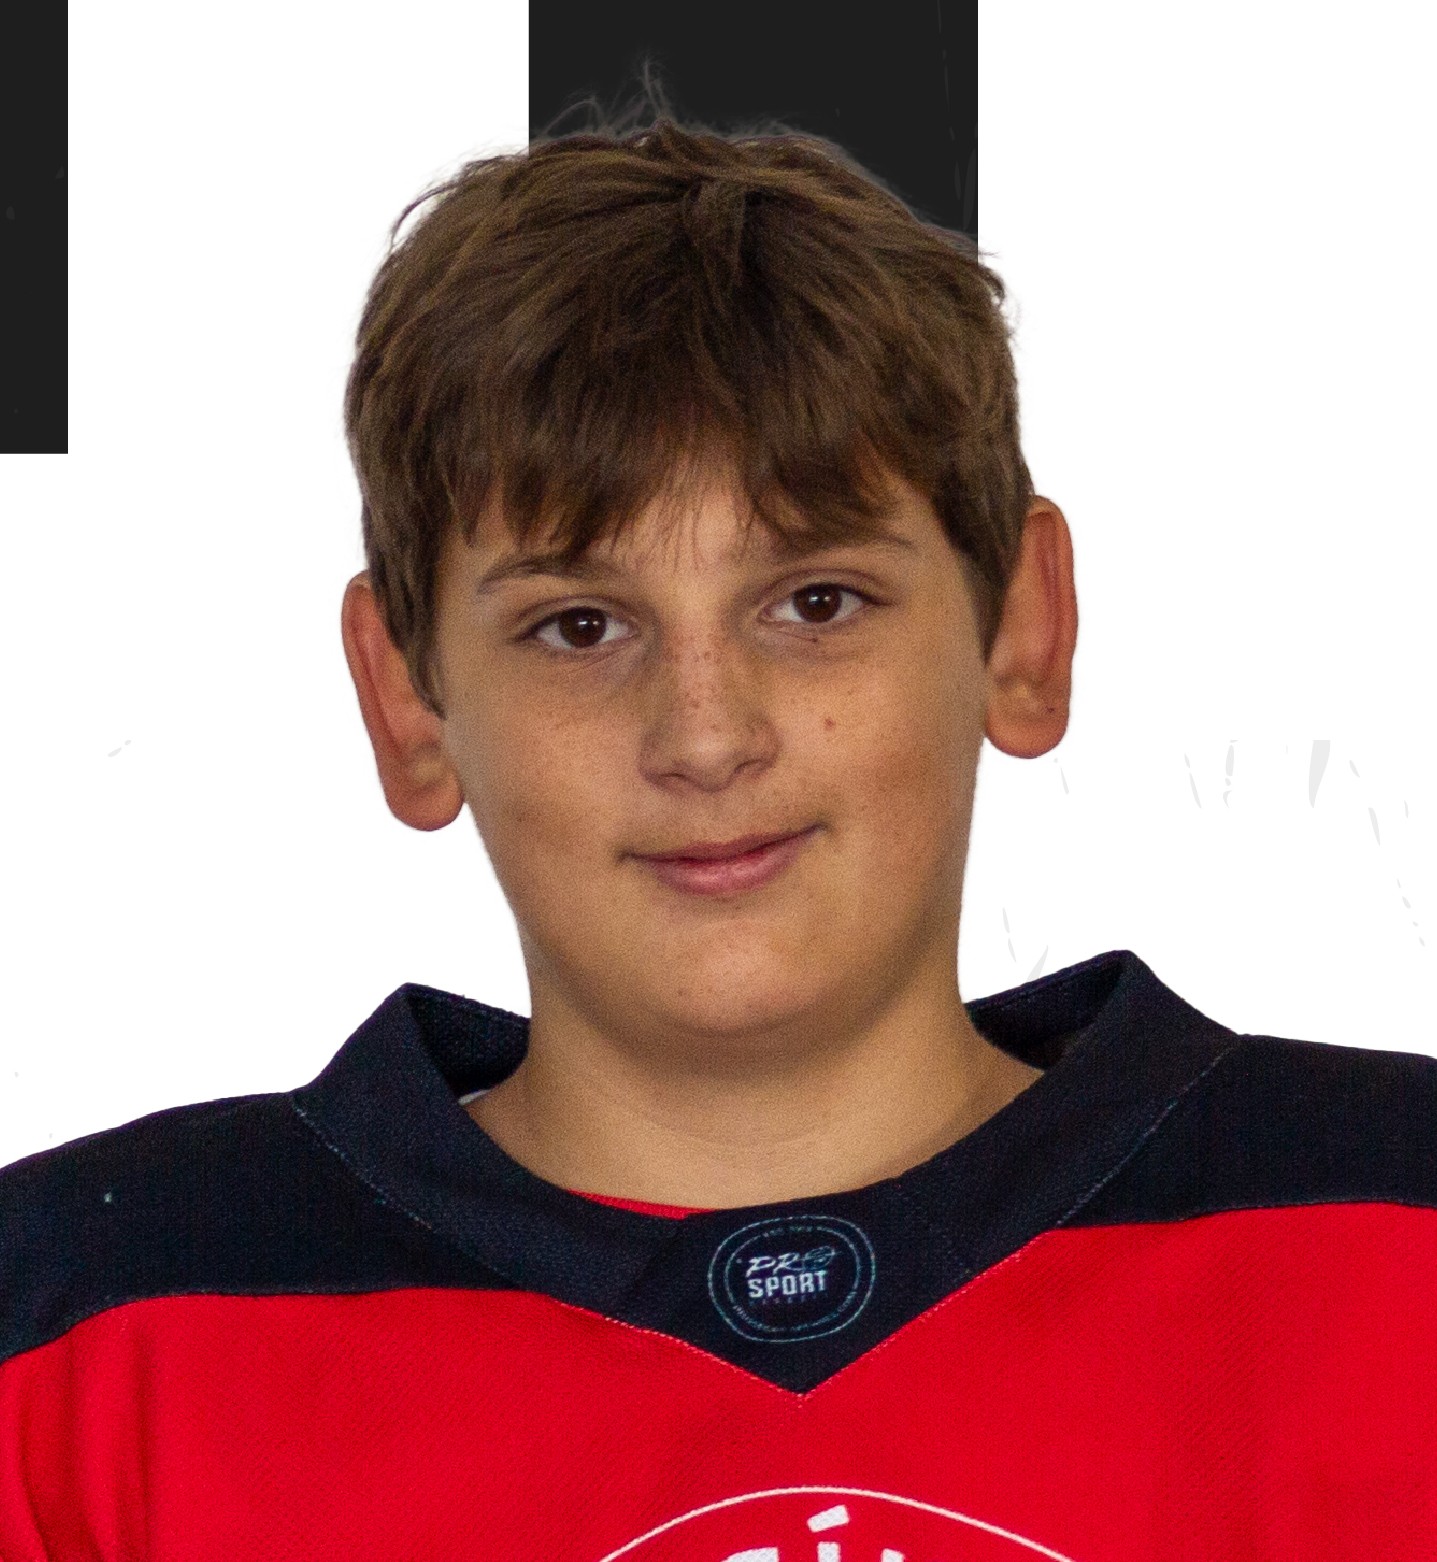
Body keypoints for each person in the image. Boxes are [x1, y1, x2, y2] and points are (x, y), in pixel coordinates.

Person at [2, 75, 1433, 1562]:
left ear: (1022, 628)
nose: (704, 736)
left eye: (816, 602)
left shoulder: (1399, 1253)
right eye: (579, 626)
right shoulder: (79, 1351)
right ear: (407, 698)